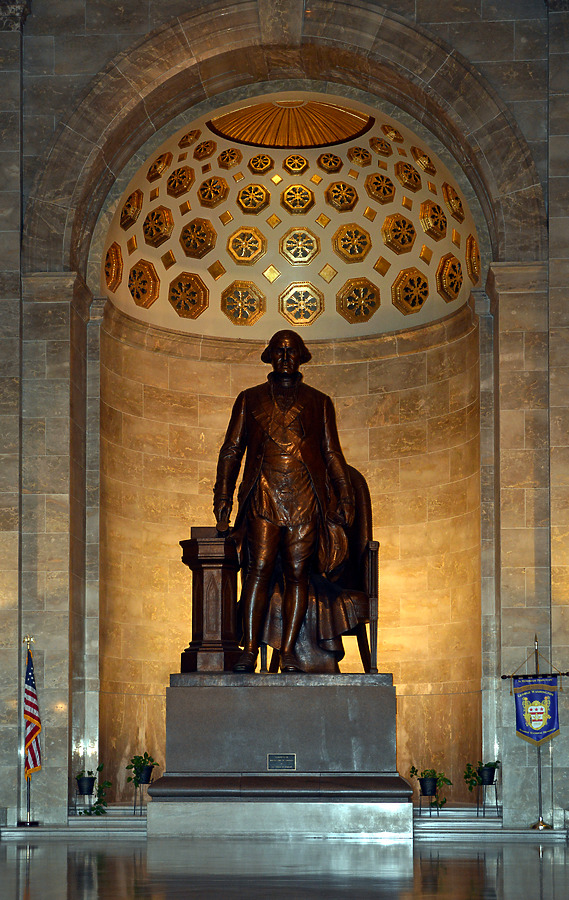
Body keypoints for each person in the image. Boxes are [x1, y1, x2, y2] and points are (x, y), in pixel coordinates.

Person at [213, 329, 355, 673]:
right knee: (258, 570)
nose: (286, 357)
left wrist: (345, 493)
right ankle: (249, 649)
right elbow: (232, 450)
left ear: (302, 356)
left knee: (297, 575)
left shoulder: (319, 402)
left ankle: (288, 651)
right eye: (279, 351)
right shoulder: (250, 399)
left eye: (292, 351)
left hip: (305, 494)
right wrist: (223, 496)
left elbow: (331, 452)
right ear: (270, 356)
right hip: (263, 490)